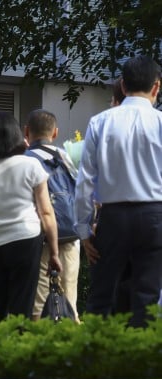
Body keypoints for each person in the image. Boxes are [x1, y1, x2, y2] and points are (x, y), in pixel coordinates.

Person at [76, 54, 162, 327]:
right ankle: (141, 364)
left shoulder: (100, 122)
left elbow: (85, 180)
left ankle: (94, 362)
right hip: (154, 216)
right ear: (157, 87)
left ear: (122, 86)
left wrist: (83, 228)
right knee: (147, 297)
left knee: (101, 296)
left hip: (112, 217)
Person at [0, 112, 62, 319]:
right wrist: (53, 253)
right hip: (25, 239)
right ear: (17, 135)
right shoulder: (29, 165)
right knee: (21, 305)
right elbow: (46, 212)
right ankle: (17, 348)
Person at [24, 109, 81, 320]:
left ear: (26, 131)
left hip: (39, 238)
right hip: (69, 235)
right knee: (69, 300)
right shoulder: (67, 157)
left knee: (39, 302)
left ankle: (39, 347)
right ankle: (72, 347)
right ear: (55, 133)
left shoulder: (24, 159)